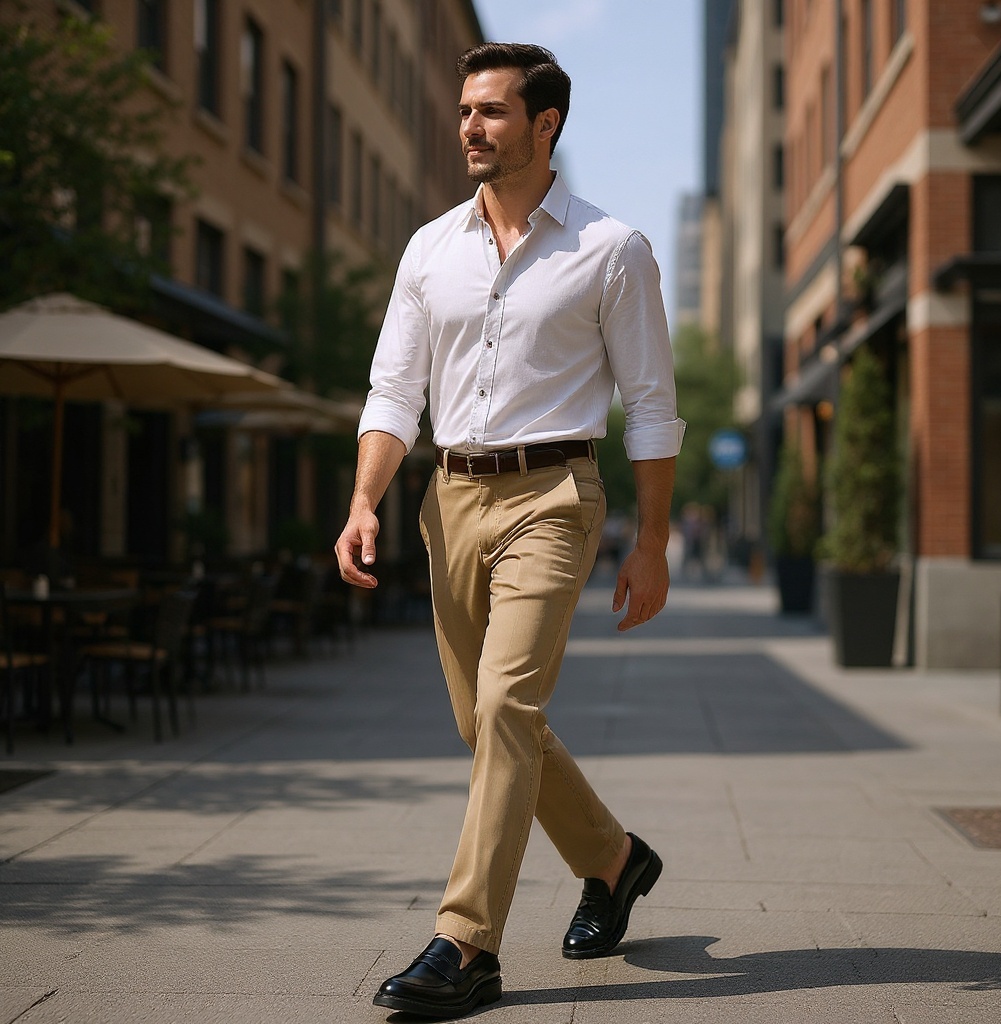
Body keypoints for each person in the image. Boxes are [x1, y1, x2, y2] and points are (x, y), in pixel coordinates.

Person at [334, 42, 685, 1019]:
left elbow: (651, 405)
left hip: (552, 497)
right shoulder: (428, 249)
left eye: (491, 111)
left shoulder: (610, 250)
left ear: (545, 125)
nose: (469, 128)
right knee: (485, 720)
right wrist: (364, 500)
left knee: (505, 706)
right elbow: (393, 392)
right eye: (464, 111)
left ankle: (465, 942)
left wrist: (651, 540)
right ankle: (613, 860)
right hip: (447, 499)